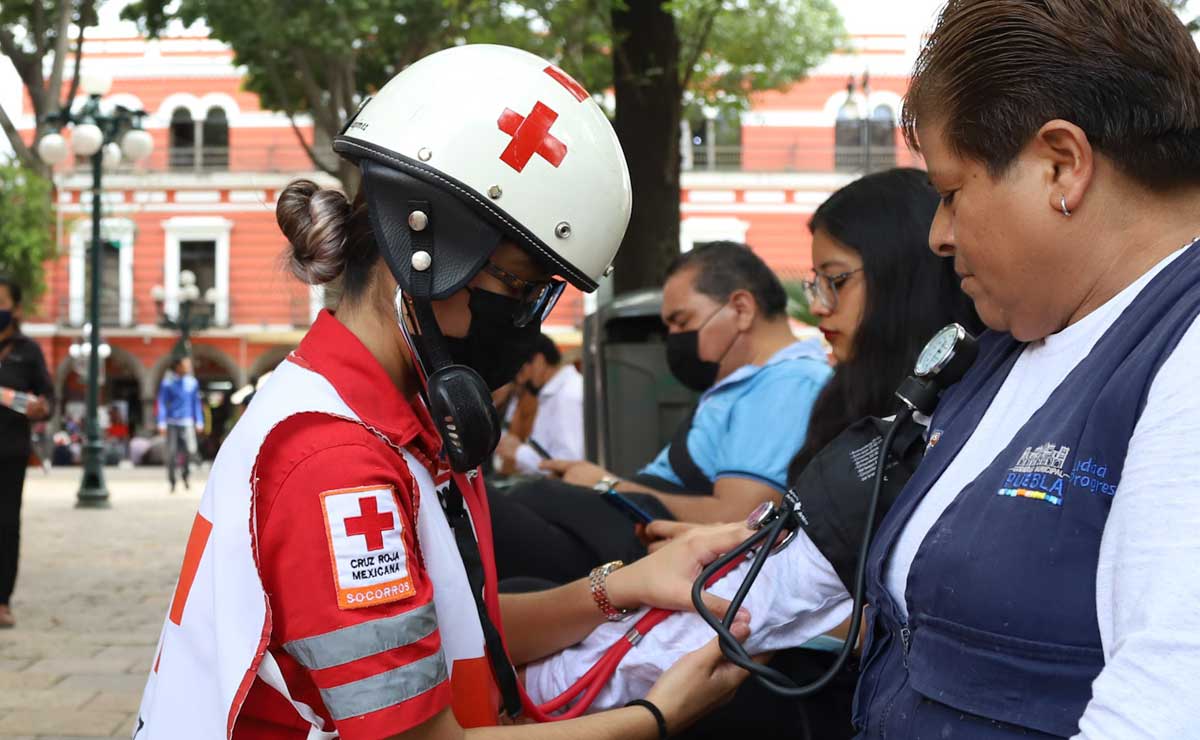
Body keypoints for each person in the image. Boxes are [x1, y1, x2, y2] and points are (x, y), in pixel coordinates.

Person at [136, 45, 755, 740]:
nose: (525, 324)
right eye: (518, 288)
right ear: (421, 249)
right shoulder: (336, 464)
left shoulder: (399, 423)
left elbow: (458, 634)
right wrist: (657, 716)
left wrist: (627, 585)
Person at [849, 1, 1200, 737]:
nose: (939, 237)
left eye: (950, 192)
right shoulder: (1015, 335)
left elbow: (1164, 708)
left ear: (1061, 166)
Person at [542, 169, 980, 739]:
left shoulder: (944, 412)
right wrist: (732, 547)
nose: (818, 305)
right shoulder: (841, 393)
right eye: (815, 283)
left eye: (835, 281)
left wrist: (609, 488)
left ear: (905, 276)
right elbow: (792, 524)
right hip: (763, 623)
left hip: (815, 679)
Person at [491, 241, 831, 585]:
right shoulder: (748, 382)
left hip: (653, 551)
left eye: (681, 322)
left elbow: (739, 518)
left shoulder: (789, 383)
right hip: (632, 540)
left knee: (494, 518)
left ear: (741, 309)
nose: (672, 338)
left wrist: (607, 485)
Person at [0, 275, 53, 628]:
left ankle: (2, 600)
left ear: (15, 308)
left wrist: (40, 408)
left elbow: (48, 398)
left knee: (6, 524)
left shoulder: (28, 350)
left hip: (10, 450)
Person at [494, 333, 584, 475]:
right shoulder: (555, 393)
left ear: (539, 361)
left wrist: (518, 452)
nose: (521, 381)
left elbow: (568, 465)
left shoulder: (567, 395)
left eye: (521, 371)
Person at [156, 354, 203, 493]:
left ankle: (185, 475)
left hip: (187, 421)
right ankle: (172, 481)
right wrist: (161, 422)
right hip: (171, 422)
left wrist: (199, 420)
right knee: (171, 454)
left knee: (191, 450)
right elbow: (162, 403)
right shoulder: (167, 383)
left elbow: (196, 403)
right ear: (178, 367)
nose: (188, 367)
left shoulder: (192, 382)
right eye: (185, 365)